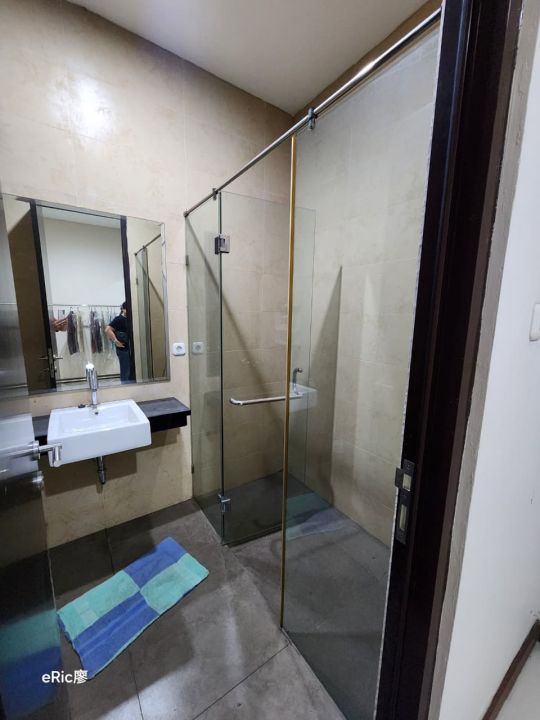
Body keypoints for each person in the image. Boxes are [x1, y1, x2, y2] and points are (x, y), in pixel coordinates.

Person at [105, 302, 131, 382]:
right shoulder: (119, 319)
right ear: (123, 309)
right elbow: (107, 330)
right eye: (127, 309)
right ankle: (125, 386)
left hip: (128, 349)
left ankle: (129, 385)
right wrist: (116, 341)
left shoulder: (130, 319)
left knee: (129, 370)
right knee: (125, 370)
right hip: (123, 349)